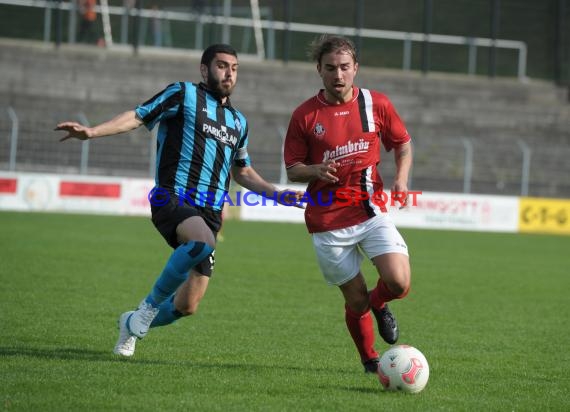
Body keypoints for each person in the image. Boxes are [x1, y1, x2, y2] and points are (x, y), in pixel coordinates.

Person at [56, 44, 303, 357]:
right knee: (201, 242)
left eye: (234, 68)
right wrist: (91, 132)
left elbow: (243, 172)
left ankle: (131, 322)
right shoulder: (182, 94)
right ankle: (146, 308)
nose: (229, 73)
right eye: (222, 65)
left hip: (211, 213)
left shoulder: (239, 122)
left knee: (188, 305)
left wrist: (278, 194)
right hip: (172, 196)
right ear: (204, 69)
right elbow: (137, 116)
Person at [283, 35, 413, 374]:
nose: (338, 75)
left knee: (399, 281)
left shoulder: (376, 104)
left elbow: (402, 144)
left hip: (370, 210)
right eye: (330, 68)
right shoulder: (304, 115)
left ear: (355, 68)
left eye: (344, 67)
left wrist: (401, 179)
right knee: (354, 301)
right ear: (319, 70)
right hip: (327, 220)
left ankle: (380, 302)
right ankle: (370, 361)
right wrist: (314, 170)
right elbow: (292, 168)